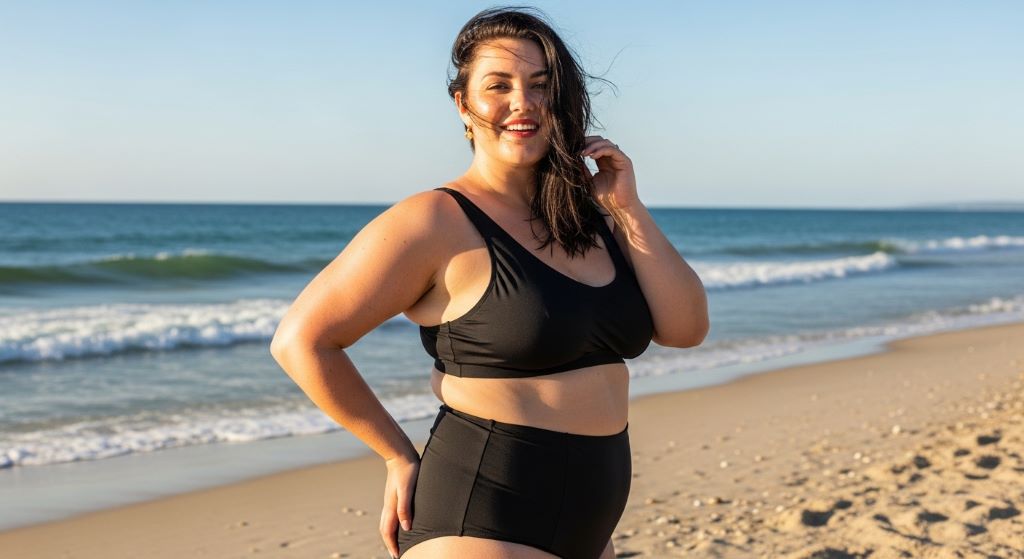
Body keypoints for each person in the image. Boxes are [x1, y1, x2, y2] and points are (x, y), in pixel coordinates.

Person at [270, 6, 708, 559]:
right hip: (479, 516)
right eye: (498, 86)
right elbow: (302, 341)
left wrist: (628, 208)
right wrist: (396, 455)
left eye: (540, 85)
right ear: (464, 104)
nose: (523, 102)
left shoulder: (589, 218)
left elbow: (686, 329)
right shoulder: (433, 220)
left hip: (592, 526)